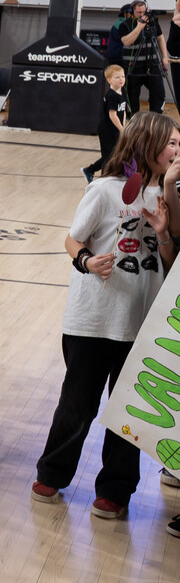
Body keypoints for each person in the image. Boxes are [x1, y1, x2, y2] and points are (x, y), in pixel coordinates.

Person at [33, 112, 179, 519]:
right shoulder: (103, 190)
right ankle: (52, 472)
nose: (177, 150)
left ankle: (116, 490)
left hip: (141, 323)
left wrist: (163, 231)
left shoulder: (170, 195)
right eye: (171, 143)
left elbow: (171, 263)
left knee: (126, 412)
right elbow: (72, 239)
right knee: (77, 404)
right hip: (92, 320)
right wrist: (86, 261)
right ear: (147, 143)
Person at [118, 0, 169, 115]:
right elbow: (127, 41)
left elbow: (160, 38)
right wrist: (139, 27)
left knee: (159, 94)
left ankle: (155, 119)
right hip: (133, 67)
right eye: (139, 13)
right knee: (132, 97)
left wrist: (164, 57)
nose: (142, 15)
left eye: (144, 12)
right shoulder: (124, 25)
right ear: (132, 12)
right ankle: (134, 120)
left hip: (152, 65)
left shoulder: (153, 23)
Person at [83, 65, 128, 182]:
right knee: (109, 156)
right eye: (117, 77)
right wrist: (122, 129)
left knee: (115, 153)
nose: (121, 79)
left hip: (116, 128)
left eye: (123, 76)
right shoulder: (111, 95)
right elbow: (112, 115)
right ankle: (103, 179)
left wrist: (123, 126)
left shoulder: (122, 91)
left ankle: (90, 170)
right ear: (109, 80)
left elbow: (123, 111)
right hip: (107, 130)